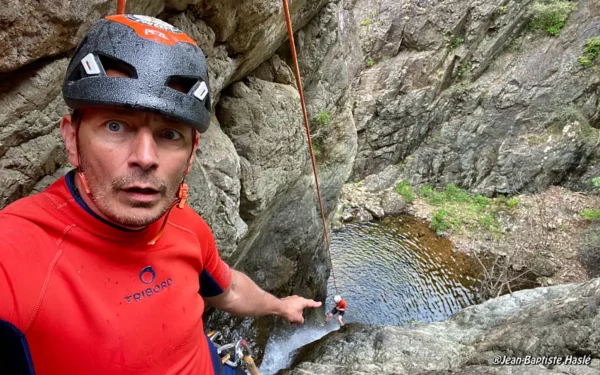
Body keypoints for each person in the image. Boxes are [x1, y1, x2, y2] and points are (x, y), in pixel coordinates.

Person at [0, 14, 321, 375]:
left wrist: (280, 306)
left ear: (191, 153)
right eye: (116, 125)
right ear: (72, 140)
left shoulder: (186, 227)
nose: (146, 158)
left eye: (169, 134)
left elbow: (228, 290)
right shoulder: (18, 253)